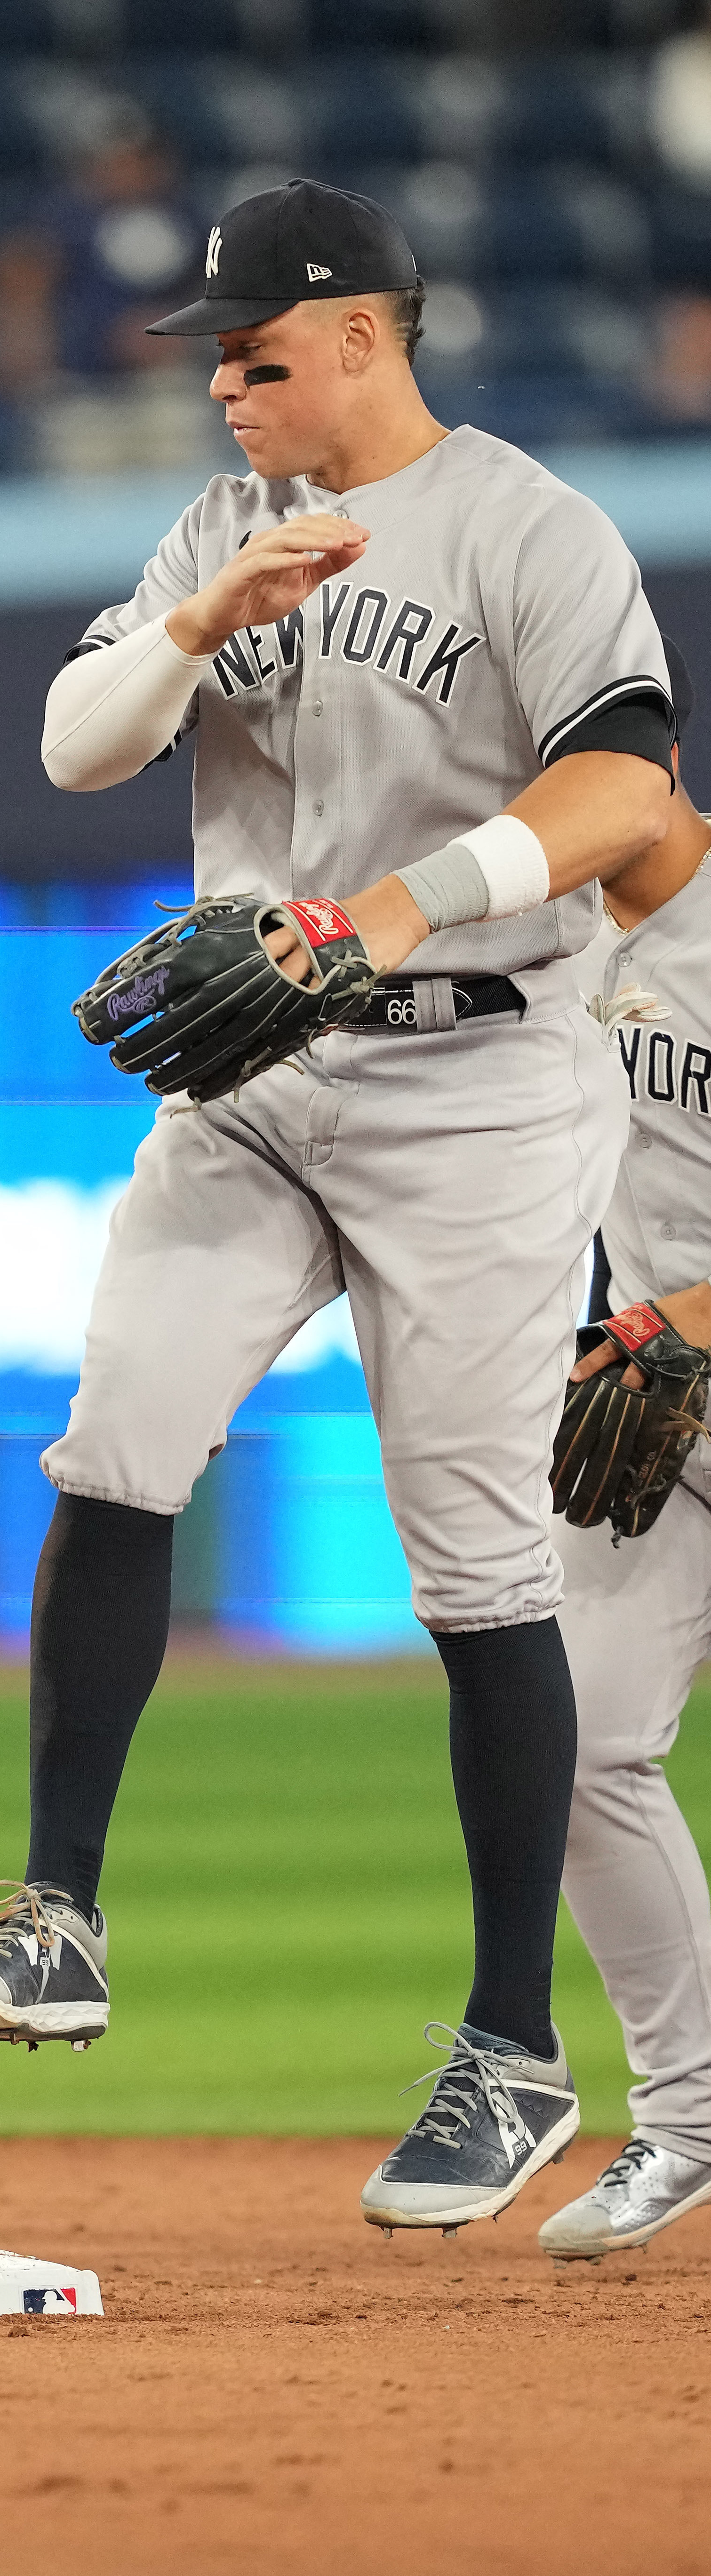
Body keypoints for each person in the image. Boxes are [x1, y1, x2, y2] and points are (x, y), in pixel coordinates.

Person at [0, 179, 672, 2237]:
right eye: (216, 358)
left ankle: (511, 2048)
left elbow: (628, 794)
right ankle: (56, 1917)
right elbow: (78, 748)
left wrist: (387, 911)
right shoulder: (211, 537)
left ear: (363, 330)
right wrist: (189, 626)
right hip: (262, 1066)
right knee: (117, 1440)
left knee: (474, 1567)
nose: (225, 386)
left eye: (254, 351)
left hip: (486, 1083)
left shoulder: (530, 528)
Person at [537, 634, 711, 2262]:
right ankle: (690, 2124)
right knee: (582, 1748)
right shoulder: (560, 947)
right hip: (666, 1401)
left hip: (681, 1348)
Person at [0, 112, 205, 472]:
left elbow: (214, 292)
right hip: (80, 384)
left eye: (139, 158)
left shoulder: (185, 214)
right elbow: (18, 291)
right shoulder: (59, 219)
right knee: (87, 485)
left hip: (163, 383)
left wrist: (179, 335)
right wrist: (23, 362)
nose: (128, 169)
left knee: (181, 467)